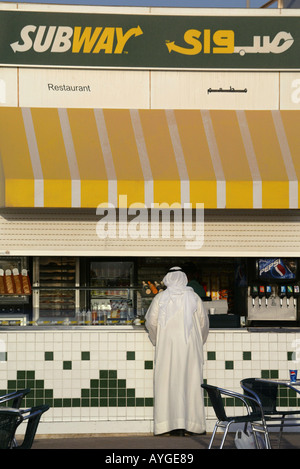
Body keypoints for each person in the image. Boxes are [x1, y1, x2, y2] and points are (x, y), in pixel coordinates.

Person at [145, 266, 209, 436]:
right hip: (190, 349)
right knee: (191, 384)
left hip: (167, 349)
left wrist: (158, 340)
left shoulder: (160, 298)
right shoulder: (194, 297)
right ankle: (193, 426)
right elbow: (204, 324)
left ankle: (167, 426)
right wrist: (197, 342)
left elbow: (151, 322)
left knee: (167, 383)